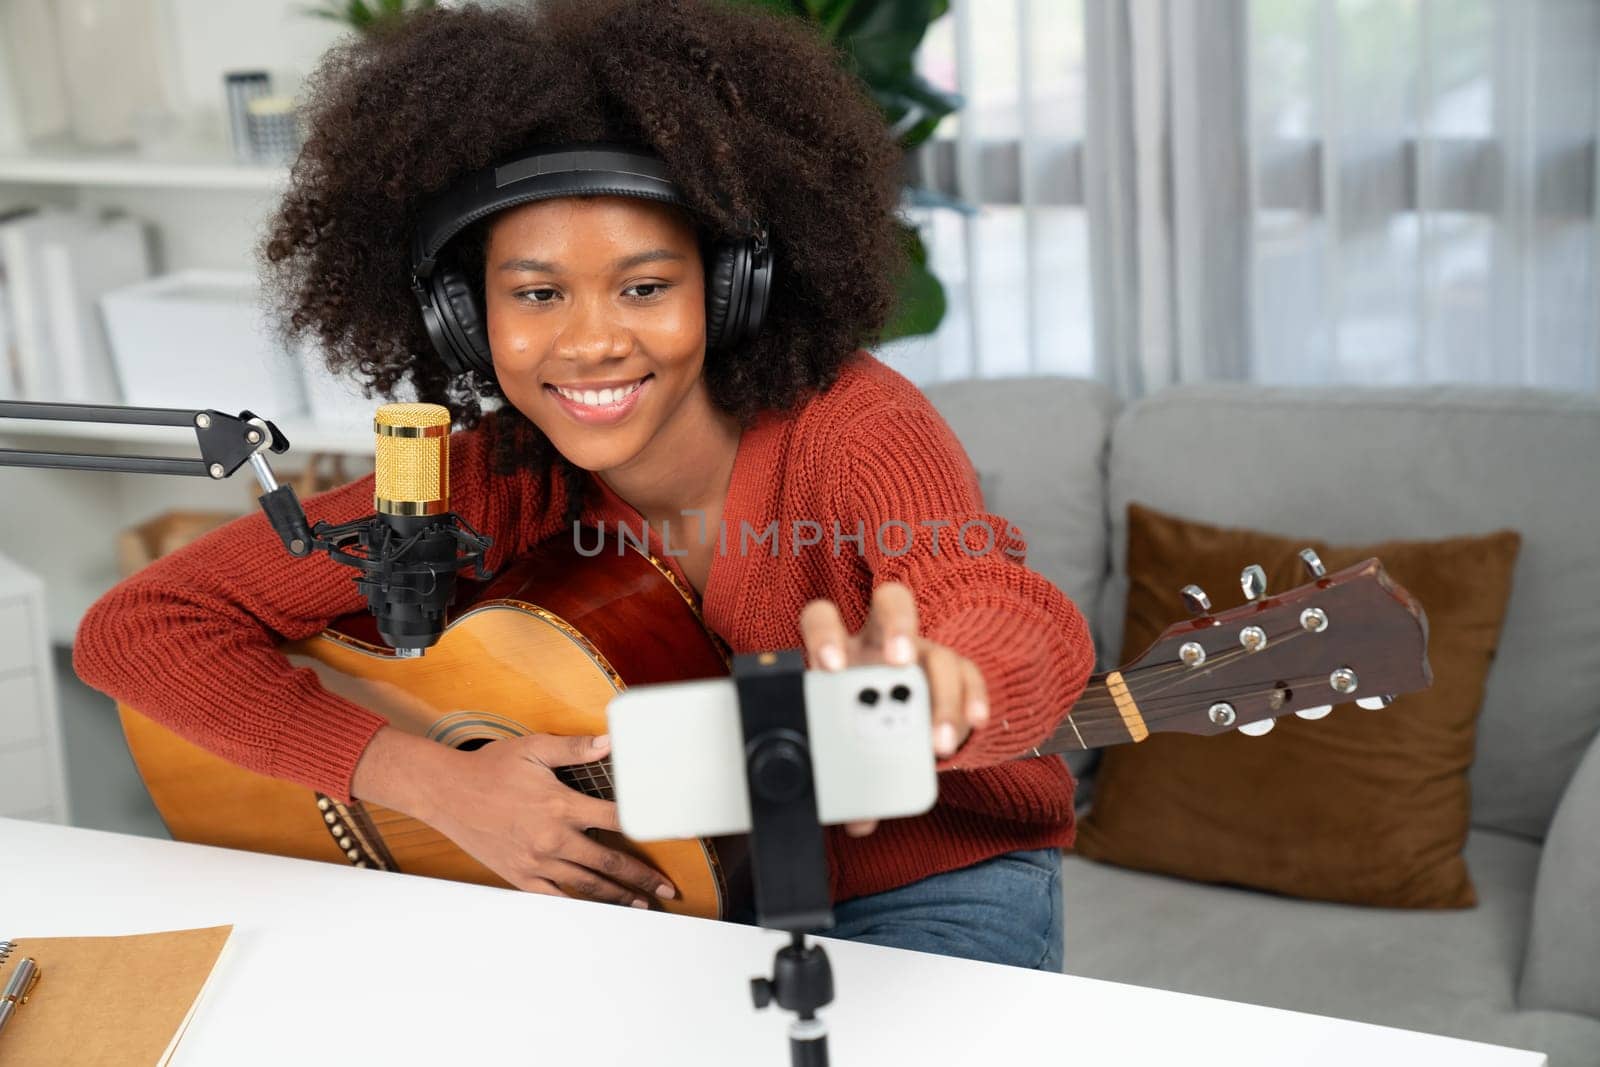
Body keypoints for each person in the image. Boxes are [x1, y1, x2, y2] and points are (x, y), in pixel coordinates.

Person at [73, 0, 1095, 972]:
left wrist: (953, 681)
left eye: (645, 286)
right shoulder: (495, 476)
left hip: (924, 875)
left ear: (730, 289)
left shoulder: (854, 427)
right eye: (537, 293)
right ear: (464, 319)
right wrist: (437, 782)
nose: (593, 340)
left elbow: (998, 608)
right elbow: (140, 624)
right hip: (674, 891)